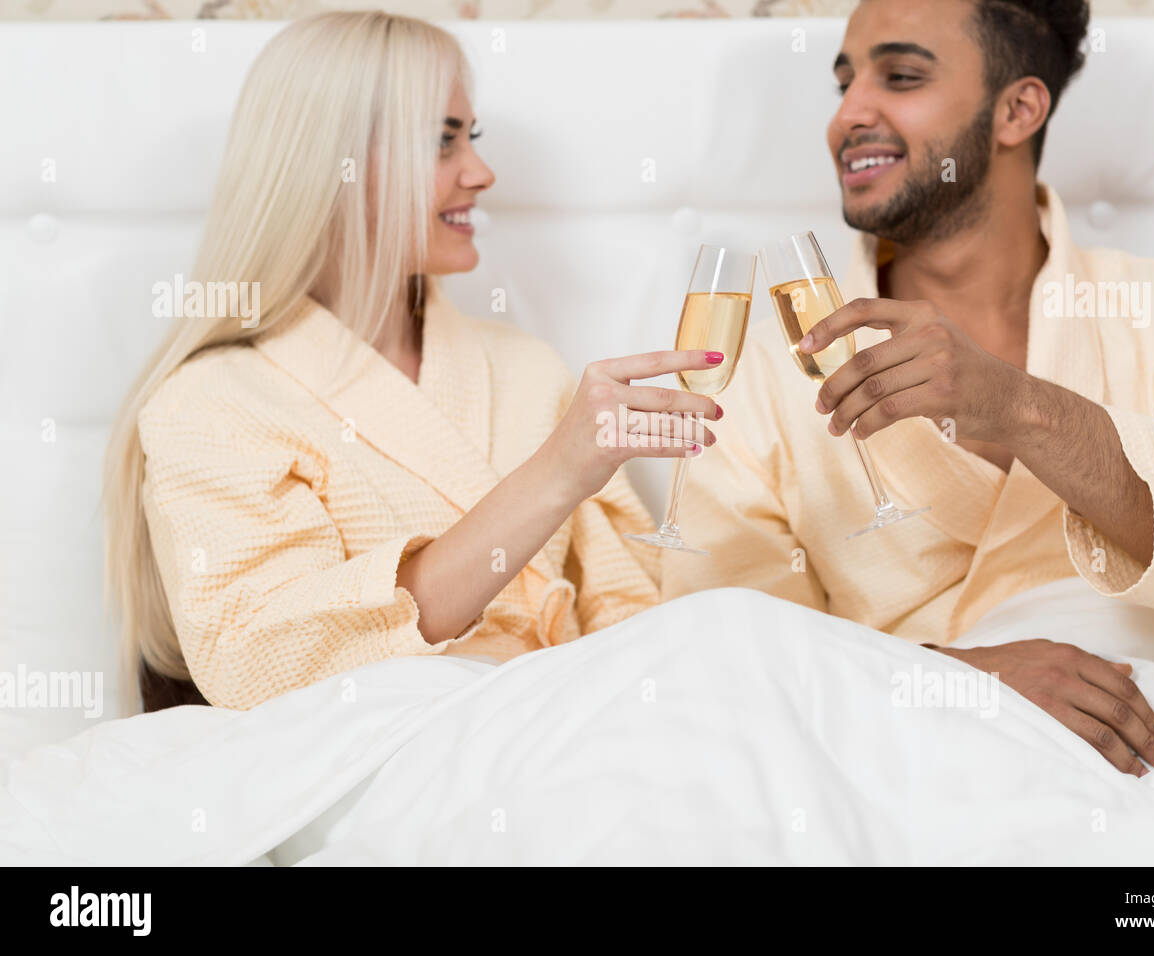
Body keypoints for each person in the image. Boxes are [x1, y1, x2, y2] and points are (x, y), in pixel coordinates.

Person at [662, 0, 1154, 777]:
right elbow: (716, 649)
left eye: (899, 76)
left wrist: (1021, 407)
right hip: (918, 764)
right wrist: (960, 681)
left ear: (1018, 109)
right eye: (844, 83)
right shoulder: (768, 366)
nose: (847, 116)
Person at [102, 11, 721, 712]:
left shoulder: (526, 371)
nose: (481, 173)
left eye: (472, 138)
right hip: (376, 771)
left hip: (565, 746)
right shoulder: (213, 403)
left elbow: (630, 613)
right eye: (442, 143)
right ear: (329, 169)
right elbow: (258, 662)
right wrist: (553, 474)